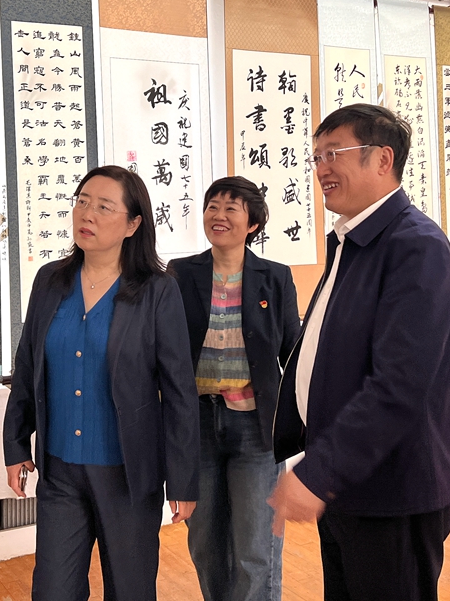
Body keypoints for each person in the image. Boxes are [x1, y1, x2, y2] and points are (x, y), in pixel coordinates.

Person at [269, 103, 450, 601]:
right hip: (347, 484)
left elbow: (400, 383)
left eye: (334, 153)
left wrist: (318, 472)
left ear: (382, 159)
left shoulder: (415, 247)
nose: (322, 168)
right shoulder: (353, 242)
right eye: (316, 156)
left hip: (392, 491)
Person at [3, 165, 200, 601]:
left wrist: (183, 480)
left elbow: (179, 392)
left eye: (104, 207)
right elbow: (28, 364)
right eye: (82, 201)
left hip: (128, 474)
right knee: (53, 591)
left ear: (133, 224)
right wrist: (15, 444)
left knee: (130, 590)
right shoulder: (50, 280)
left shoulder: (157, 291)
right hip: (60, 472)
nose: (87, 214)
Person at [169, 177, 301, 601]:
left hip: (254, 428)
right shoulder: (180, 273)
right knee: (206, 544)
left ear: (253, 223)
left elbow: (293, 354)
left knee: (255, 547)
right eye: (213, 206)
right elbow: (163, 348)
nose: (219, 216)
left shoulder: (275, 277)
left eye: (231, 208)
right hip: (197, 425)